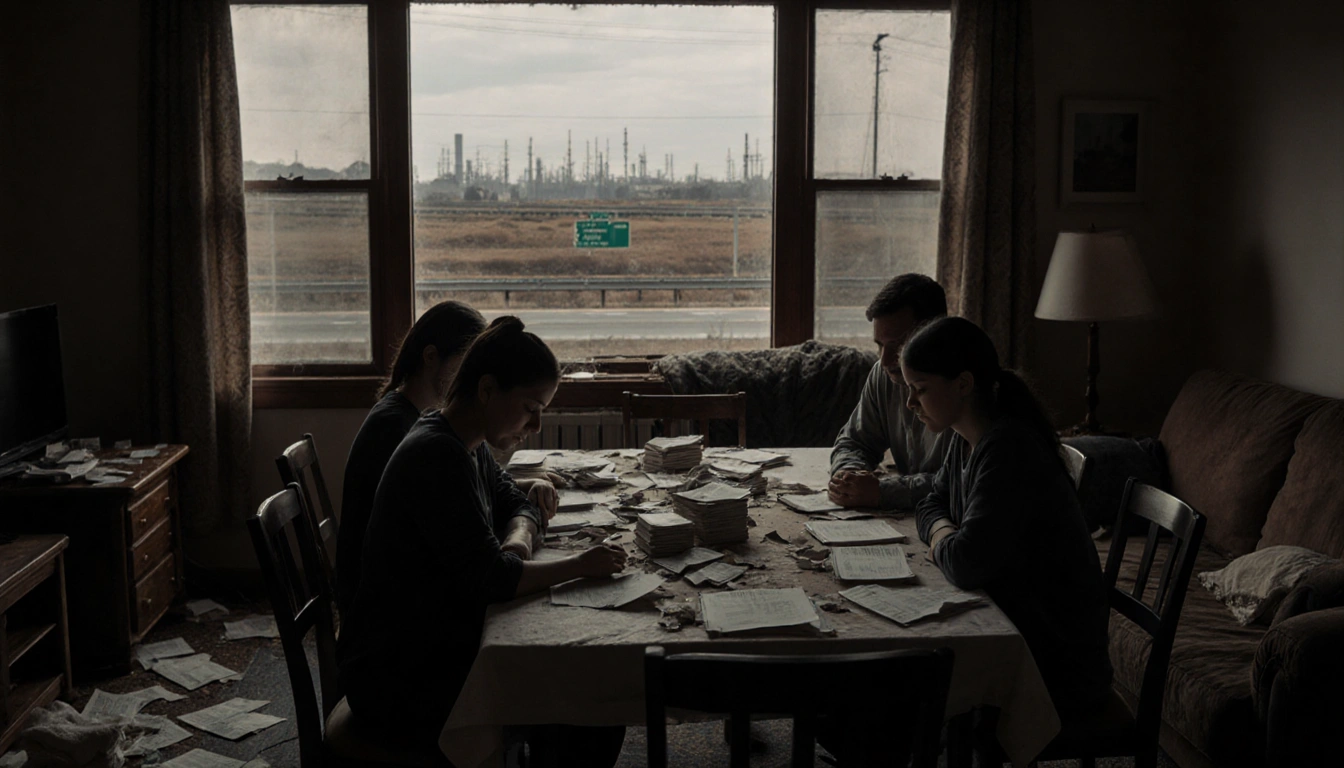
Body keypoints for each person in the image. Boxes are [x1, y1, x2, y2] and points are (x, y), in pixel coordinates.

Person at [338, 316, 627, 763]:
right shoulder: (436, 454)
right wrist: (580, 565)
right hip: (397, 677)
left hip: (431, 645)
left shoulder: (465, 442)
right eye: (531, 408)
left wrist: (516, 545)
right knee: (591, 696)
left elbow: (520, 504)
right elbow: (493, 580)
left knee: (587, 691)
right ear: (488, 389)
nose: (535, 427)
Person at [906, 316, 1113, 719]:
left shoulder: (1008, 448)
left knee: (889, 686)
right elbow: (930, 503)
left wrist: (942, 540)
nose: (910, 405)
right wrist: (946, 534)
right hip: (1019, 626)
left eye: (920, 390)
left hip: (1054, 663)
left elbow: (966, 564)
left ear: (963, 384)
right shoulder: (963, 438)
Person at [337, 300, 558, 618]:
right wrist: (578, 564)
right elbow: (488, 574)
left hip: (424, 593)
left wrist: (519, 531)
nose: (472, 371)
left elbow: (495, 494)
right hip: (397, 616)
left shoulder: (460, 433)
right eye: (468, 361)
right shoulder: (412, 434)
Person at [829, 273, 955, 510]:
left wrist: (883, 492)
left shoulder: (960, 388)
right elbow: (855, 441)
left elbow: (961, 484)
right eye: (879, 345)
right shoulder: (883, 374)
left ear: (933, 334)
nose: (885, 360)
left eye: (897, 346)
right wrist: (849, 476)